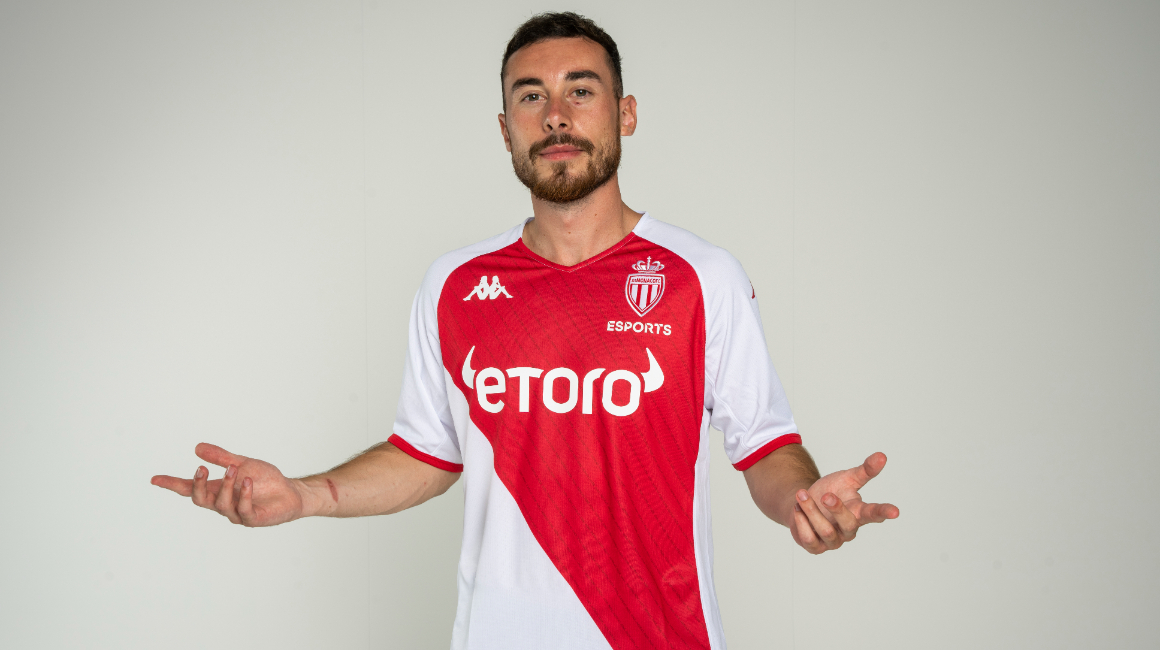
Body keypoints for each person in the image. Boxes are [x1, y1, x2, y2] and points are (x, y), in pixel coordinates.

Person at [151, 12, 899, 650]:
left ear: (625, 114)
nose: (556, 115)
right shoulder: (453, 285)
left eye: (582, 90)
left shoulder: (702, 277)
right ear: (506, 128)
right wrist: (305, 494)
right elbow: (427, 453)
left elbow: (766, 447)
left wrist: (804, 502)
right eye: (531, 96)